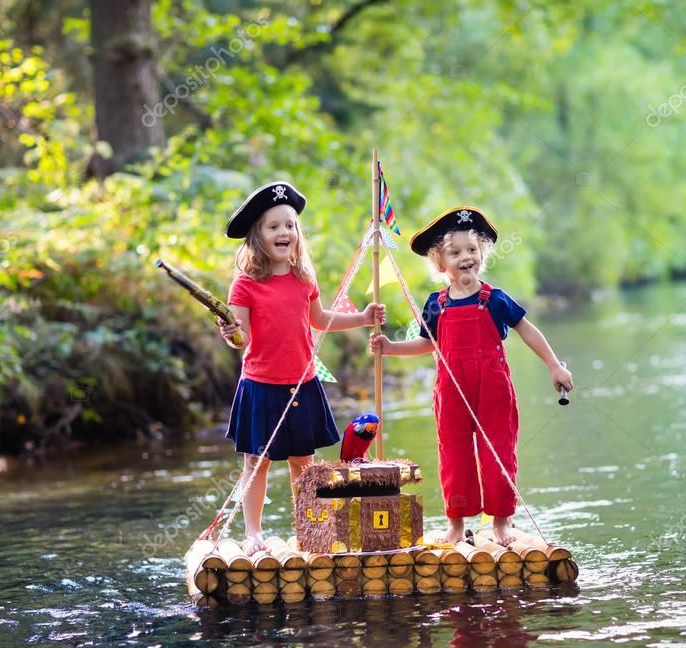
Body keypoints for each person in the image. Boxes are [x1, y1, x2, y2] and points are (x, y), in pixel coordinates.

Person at [369, 206, 572, 545]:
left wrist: (554, 365)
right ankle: (456, 524)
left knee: (499, 452)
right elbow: (425, 344)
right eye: (455, 252)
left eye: (472, 250)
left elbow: (528, 330)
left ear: (482, 253)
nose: (466, 257)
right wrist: (389, 347)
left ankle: (502, 523)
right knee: (454, 455)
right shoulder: (436, 303)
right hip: (450, 391)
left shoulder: (495, 299)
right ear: (439, 262)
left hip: (492, 388)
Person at [218, 181, 385, 555]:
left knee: (304, 464)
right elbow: (239, 338)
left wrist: (361, 317)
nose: (284, 232)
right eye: (273, 226)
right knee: (255, 462)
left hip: (302, 384)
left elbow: (321, 319)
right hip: (261, 385)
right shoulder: (245, 285)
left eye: (289, 225)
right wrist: (231, 333)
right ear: (257, 236)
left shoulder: (303, 279)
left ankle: (309, 528)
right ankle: (253, 534)